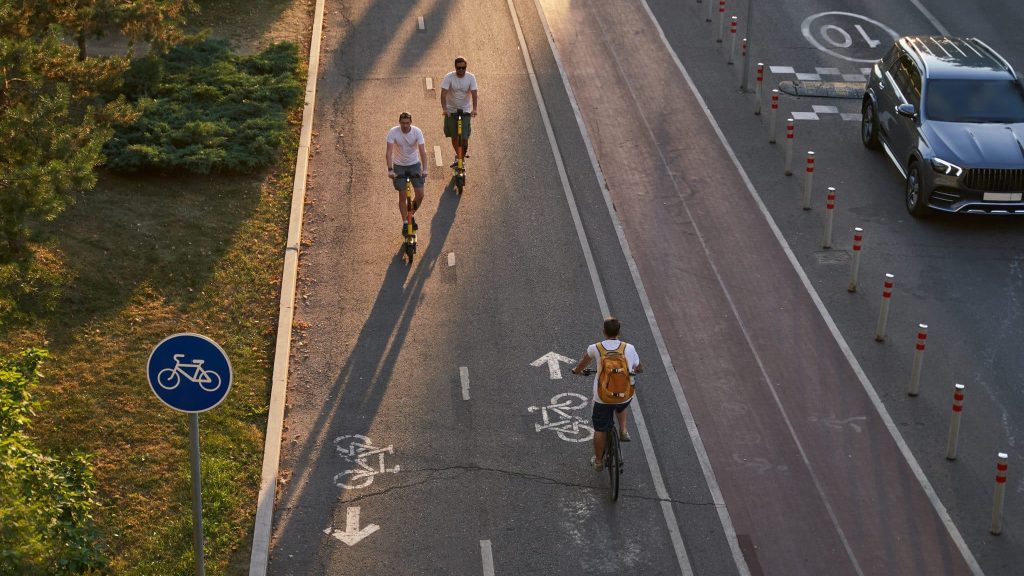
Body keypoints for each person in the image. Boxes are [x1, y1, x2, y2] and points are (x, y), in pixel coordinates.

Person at [571, 317, 643, 471]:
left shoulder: (595, 348)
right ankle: (623, 431)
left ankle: (598, 461)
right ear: (619, 332)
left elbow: (582, 364)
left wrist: (577, 371)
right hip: (624, 395)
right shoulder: (629, 348)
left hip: (602, 397)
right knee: (622, 403)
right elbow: (639, 368)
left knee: (600, 429)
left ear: (604, 332)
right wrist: (634, 370)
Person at [386, 112, 429, 235]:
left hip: (414, 164)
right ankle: (405, 222)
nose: (405, 125)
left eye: (407, 123)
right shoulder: (393, 132)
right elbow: (389, 152)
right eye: (403, 123)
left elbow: (423, 151)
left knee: (420, 194)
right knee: (403, 196)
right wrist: (390, 169)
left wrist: (425, 169)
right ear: (399, 122)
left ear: (411, 122)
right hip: (399, 166)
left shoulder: (417, 132)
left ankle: (410, 215)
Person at [440, 56, 478, 168]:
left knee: (464, 137)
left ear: (466, 67)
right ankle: (459, 158)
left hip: (465, 110)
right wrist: (445, 109)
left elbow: (474, 94)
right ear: (455, 67)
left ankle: (461, 157)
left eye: (463, 68)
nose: (461, 70)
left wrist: (474, 109)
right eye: (458, 68)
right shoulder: (449, 77)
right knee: (454, 136)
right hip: (451, 111)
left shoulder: (471, 77)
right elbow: (443, 94)